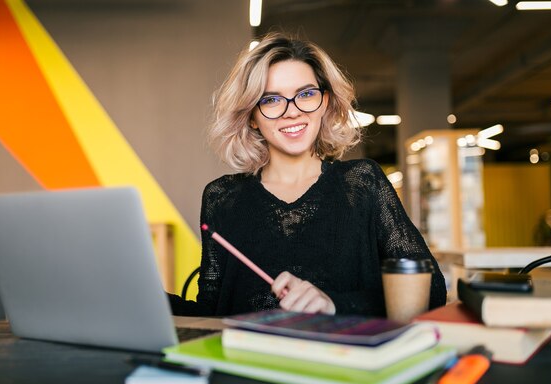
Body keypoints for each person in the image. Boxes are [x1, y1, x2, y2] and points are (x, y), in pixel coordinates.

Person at [168, 32, 446, 317]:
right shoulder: (222, 197)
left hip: (342, 358)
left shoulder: (361, 183)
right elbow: (212, 312)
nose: (292, 112)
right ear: (252, 115)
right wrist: (146, 299)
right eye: (272, 99)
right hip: (250, 360)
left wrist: (333, 303)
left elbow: (431, 289)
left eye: (306, 94)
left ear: (325, 101)